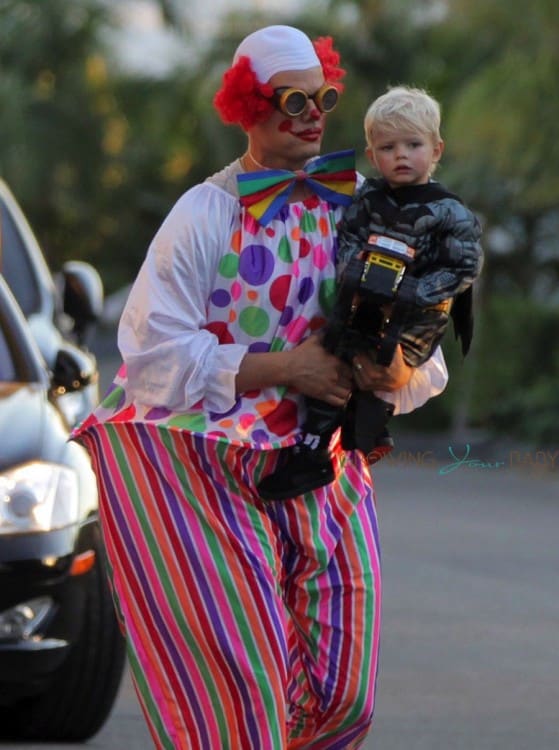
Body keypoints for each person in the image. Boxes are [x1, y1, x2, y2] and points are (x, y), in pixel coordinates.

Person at [73, 27, 449, 750]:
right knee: (237, 694)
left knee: (343, 695)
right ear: (250, 108)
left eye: (324, 97)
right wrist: (284, 367)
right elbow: (149, 354)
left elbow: (422, 346)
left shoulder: (371, 209)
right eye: (293, 100)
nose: (313, 113)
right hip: (194, 462)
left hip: (324, 454)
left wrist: (393, 368)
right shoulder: (204, 213)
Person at [259, 85, 483, 501]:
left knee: (376, 364)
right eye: (388, 147)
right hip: (362, 301)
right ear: (372, 153)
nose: (401, 155)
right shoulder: (368, 198)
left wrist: (411, 291)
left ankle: (368, 426)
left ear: (436, 150)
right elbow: (347, 239)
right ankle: (314, 448)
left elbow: (462, 268)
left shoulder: (450, 212)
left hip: (416, 318)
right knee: (332, 351)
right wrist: (355, 274)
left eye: (413, 145)